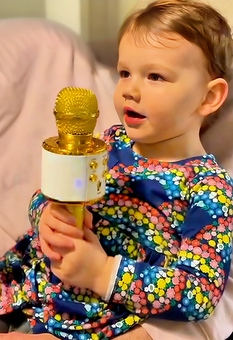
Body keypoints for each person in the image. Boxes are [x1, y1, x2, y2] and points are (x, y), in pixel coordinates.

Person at [0, 0, 233, 339]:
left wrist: (102, 272)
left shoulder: (209, 188)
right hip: (27, 287)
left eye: (155, 76)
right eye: (125, 73)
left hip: (95, 318)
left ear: (209, 97)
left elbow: (198, 294)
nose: (129, 90)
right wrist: (47, 215)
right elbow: (52, 194)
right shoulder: (109, 143)